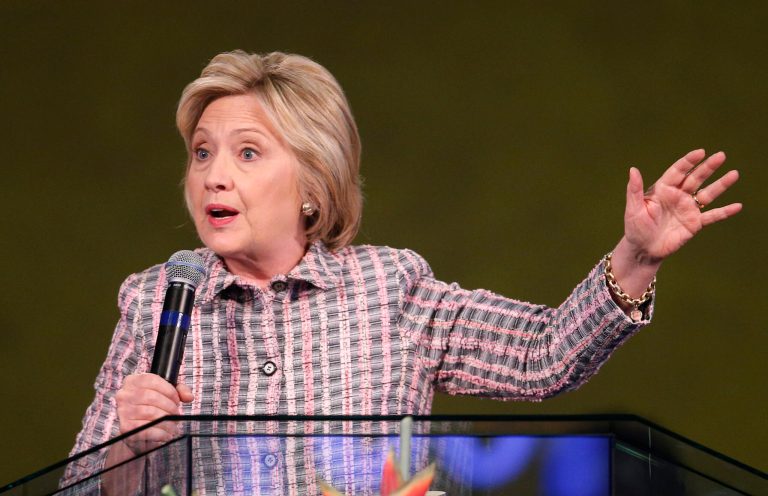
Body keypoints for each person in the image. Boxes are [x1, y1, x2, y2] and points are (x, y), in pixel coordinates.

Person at [61, 50, 741, 491]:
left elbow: (543, 355)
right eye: (202, 152)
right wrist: (129, 449)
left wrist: (638, 256)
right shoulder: (158, 303)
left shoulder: (389, 289)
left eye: (246, 153)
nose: (213, 175)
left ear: (312, 181)